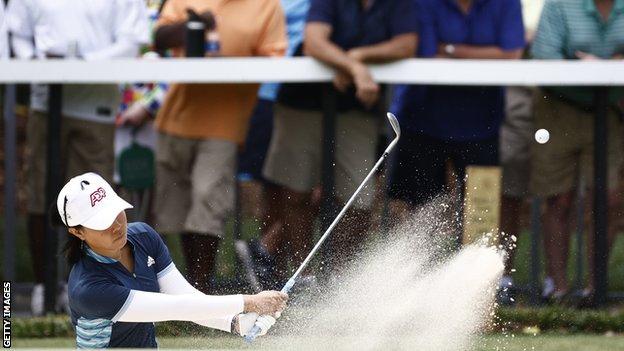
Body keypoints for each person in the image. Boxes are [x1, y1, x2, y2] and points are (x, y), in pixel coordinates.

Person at [6, 0, 150, 316]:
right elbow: (17, 32)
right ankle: (46, 286)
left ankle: (95, 286)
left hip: (96, 105)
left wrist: (82, 62)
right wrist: (37, 63)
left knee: (96, 205)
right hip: (46, 102)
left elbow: (130, 41)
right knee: (41, 197)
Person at [262, 0, 418, 274]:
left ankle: (340, 279)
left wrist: (357, 57)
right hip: (302, 102)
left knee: (359, 199)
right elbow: (314, 42)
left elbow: (406, 44)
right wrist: (355, 68)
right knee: (296, 192)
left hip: (357, 108)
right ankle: (303, 276)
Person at [55, 172, 286, 348]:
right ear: (77, 232)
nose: (116, 225)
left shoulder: (144, 237)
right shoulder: (88, 289)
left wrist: (235, 323)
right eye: (102, 222)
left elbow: (185, 296)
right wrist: (249, 302)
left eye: (115, 212)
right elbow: (177, 308)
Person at [153, 0, 287, 293]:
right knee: (172, 212)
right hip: (175, 120)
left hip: (226, 123)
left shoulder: (267, 5)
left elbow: (276, 59)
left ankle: (201, 292)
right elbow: (159, 39)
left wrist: (229, 62)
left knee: (208, 202)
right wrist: (195, 25)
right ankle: (183, 291)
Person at [387, 0, 525, 240]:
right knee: (421, 211)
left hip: (483, 123)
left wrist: (451, 50)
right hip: (422, 120)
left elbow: (512, 53)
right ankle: (418, 276)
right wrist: (488, 55)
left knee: (482, 212)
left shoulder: (507, 3)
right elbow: (429, 55)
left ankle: (479, 277)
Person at [531, 0, 624, 304]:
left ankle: (594, 290)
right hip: (558, 107)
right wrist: (597, 66)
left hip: (609, 110)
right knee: (560, 198)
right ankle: (558, 288)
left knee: (607, 199)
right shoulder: (559, 5)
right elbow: (546, 60)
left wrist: (602, 65)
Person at [498, 0, 545, 305]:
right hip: (511, 99)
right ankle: (502, 278)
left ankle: (557, 286)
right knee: (507, 196)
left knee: (559, 196)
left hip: (557, 99)